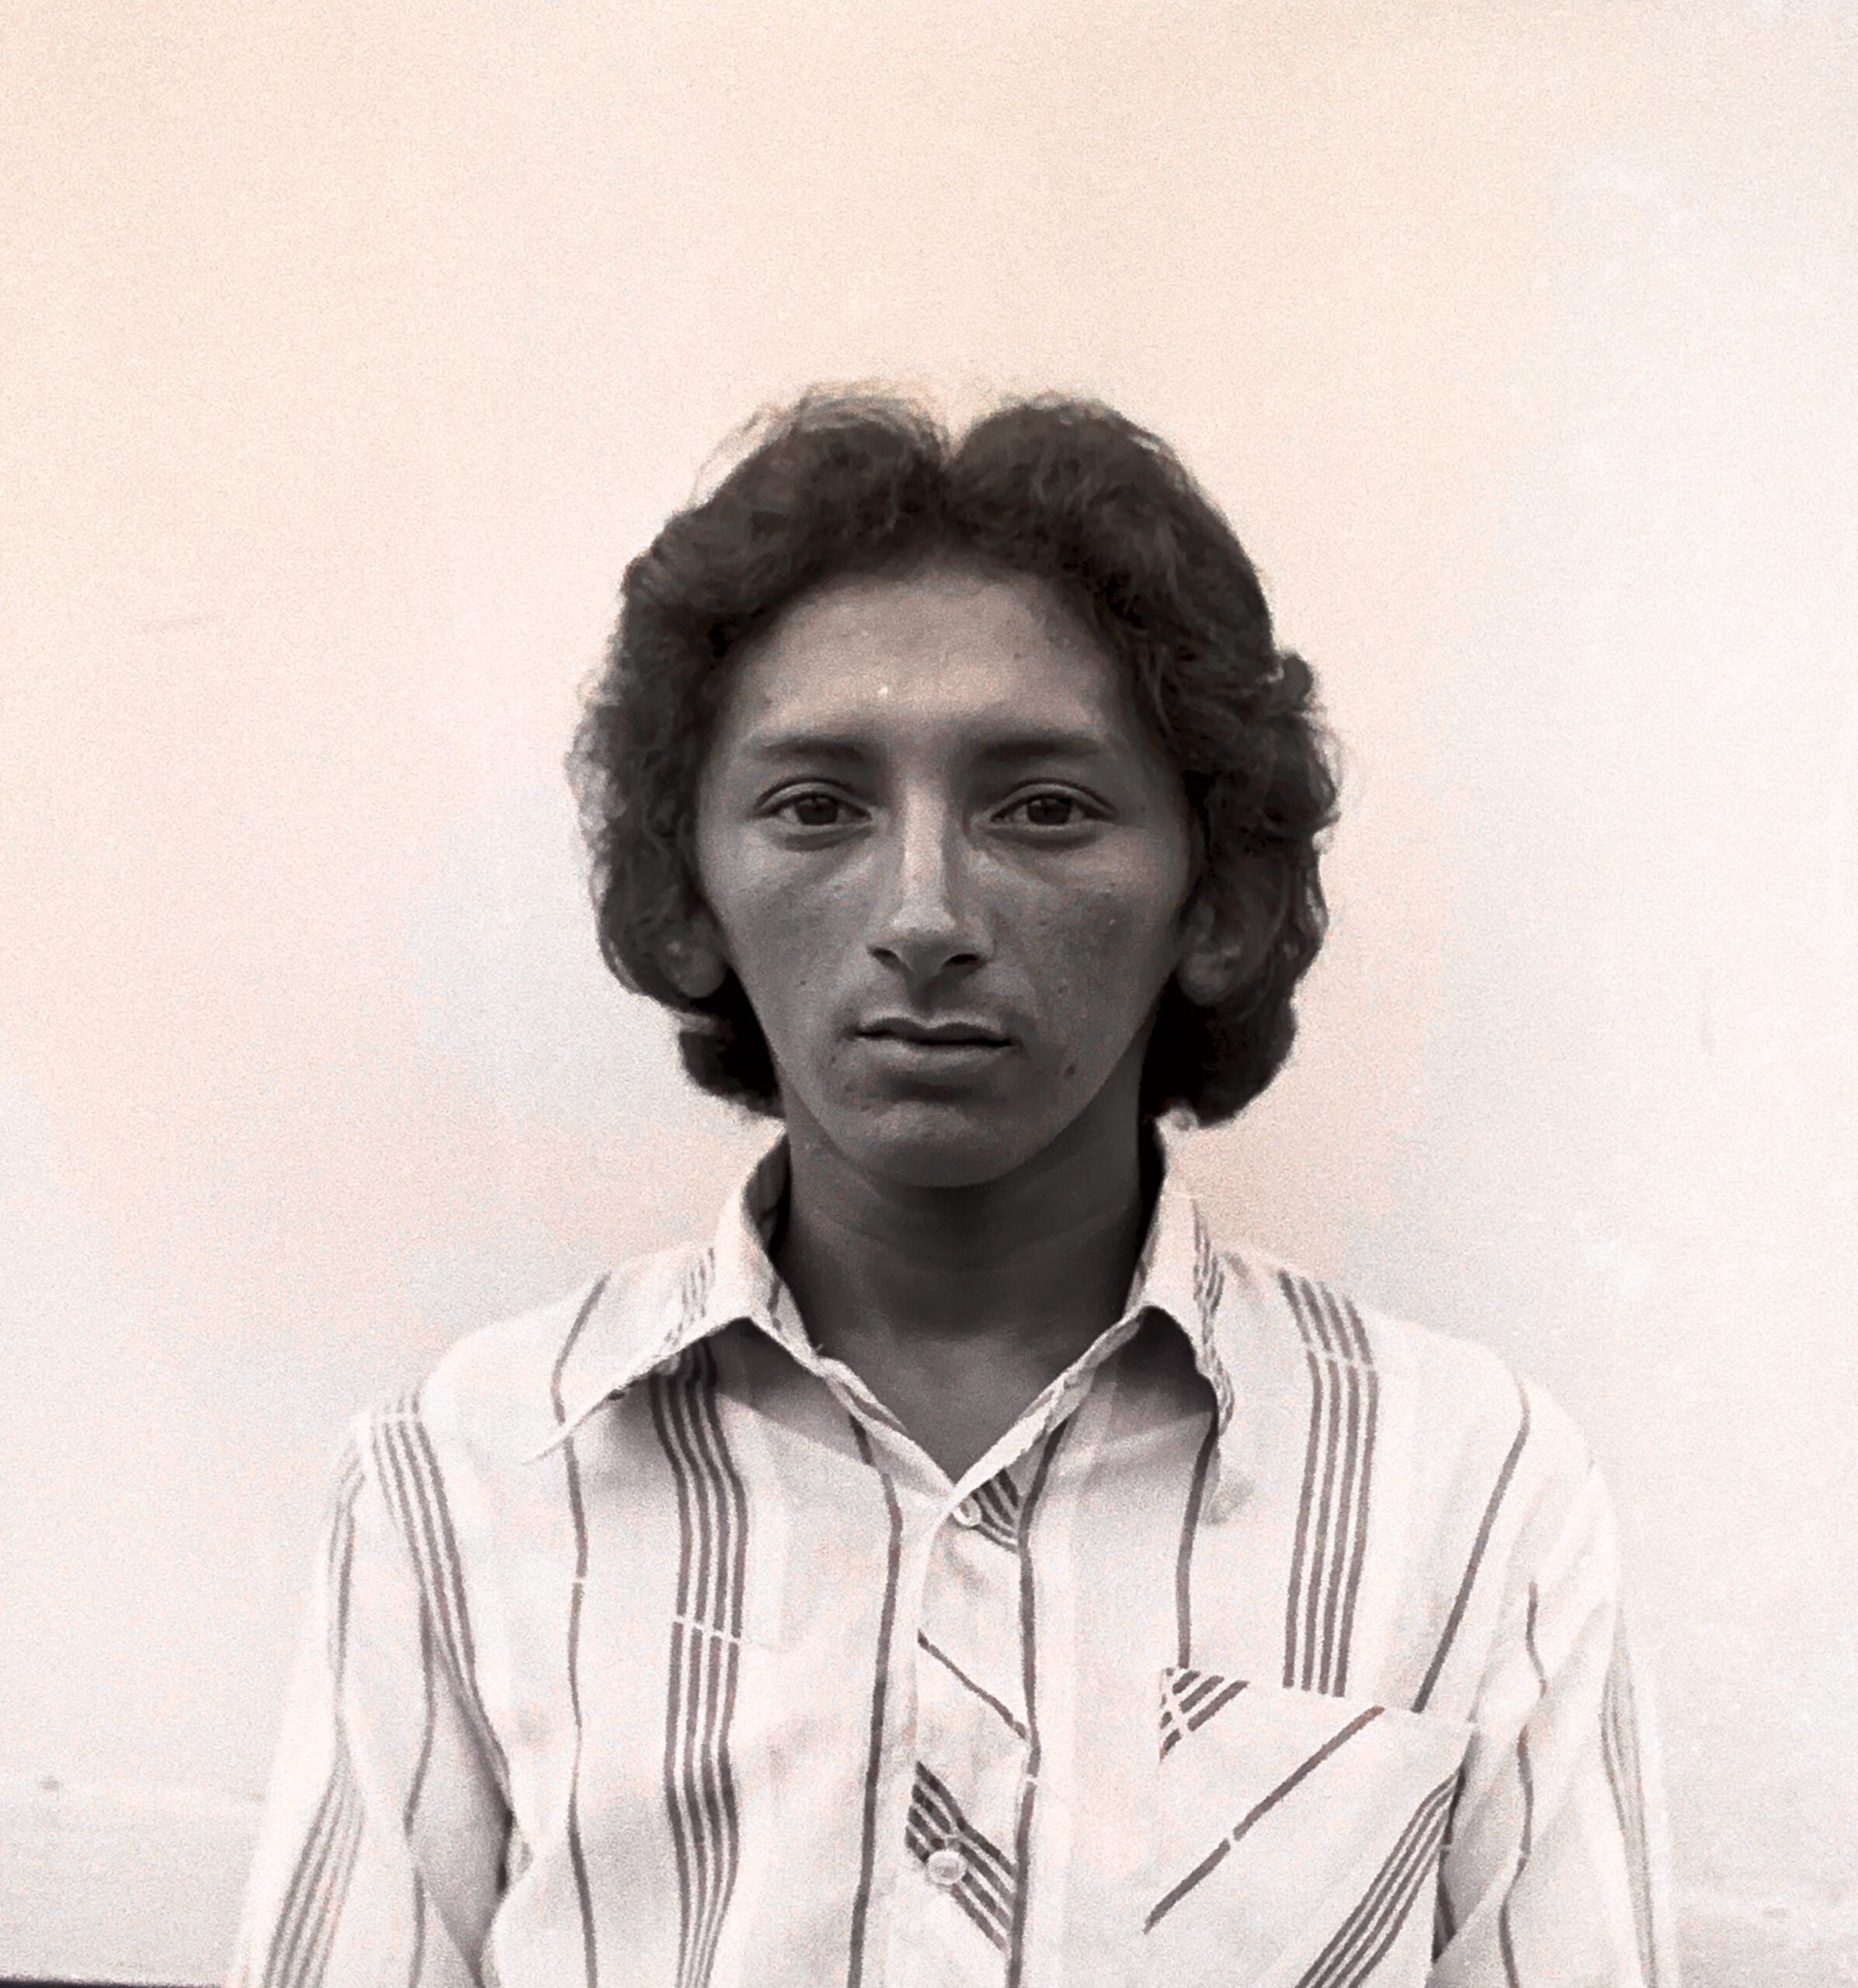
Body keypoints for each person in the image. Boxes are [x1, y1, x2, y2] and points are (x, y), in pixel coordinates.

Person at [231, 391, 1676, 1988]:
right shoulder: (463, 1479)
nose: (923, 915)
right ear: (688, 890)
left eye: (1043, 807)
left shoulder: (1470, 1493)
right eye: (816, 805)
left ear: (1218, 899)